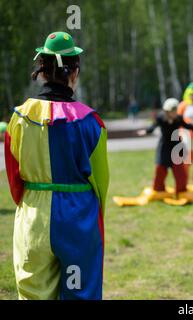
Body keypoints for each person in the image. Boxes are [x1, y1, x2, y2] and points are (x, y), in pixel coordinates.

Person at [4, 31, 109, 299]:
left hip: (34, 215)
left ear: (42, 70)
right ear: (74, 72)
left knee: (33, 292)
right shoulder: (90, 121)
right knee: (80, 291)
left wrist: (31, 202)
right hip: (78, 216)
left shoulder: (18, 118)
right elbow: (101, 182)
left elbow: (14, 178)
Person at [137, 98, 193, 197]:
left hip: (176, 146)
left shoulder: (179, 118)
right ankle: (159, 190)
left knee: (179, 171)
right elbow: (153, 126)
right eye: (171, 111)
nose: (173, 113)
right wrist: (146, 131)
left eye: (175, 110)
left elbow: (187, 125)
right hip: (164, 147)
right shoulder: (160, 118)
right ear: (166, 111)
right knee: (160, 169)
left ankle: (181, 190)